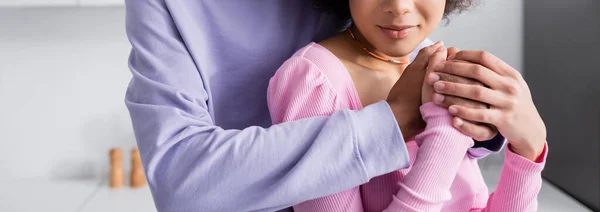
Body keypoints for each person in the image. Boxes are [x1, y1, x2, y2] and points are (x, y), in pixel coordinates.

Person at [124, 0, 505, 211]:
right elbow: (183, 183)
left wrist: (490, 129)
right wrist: (415, 123)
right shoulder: (313, 74)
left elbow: (395, 47)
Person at [267, 0, 548, 211]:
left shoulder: (427, 57)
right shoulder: (314, 81)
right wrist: (445, 135)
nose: (399, 7)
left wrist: (529, 150)